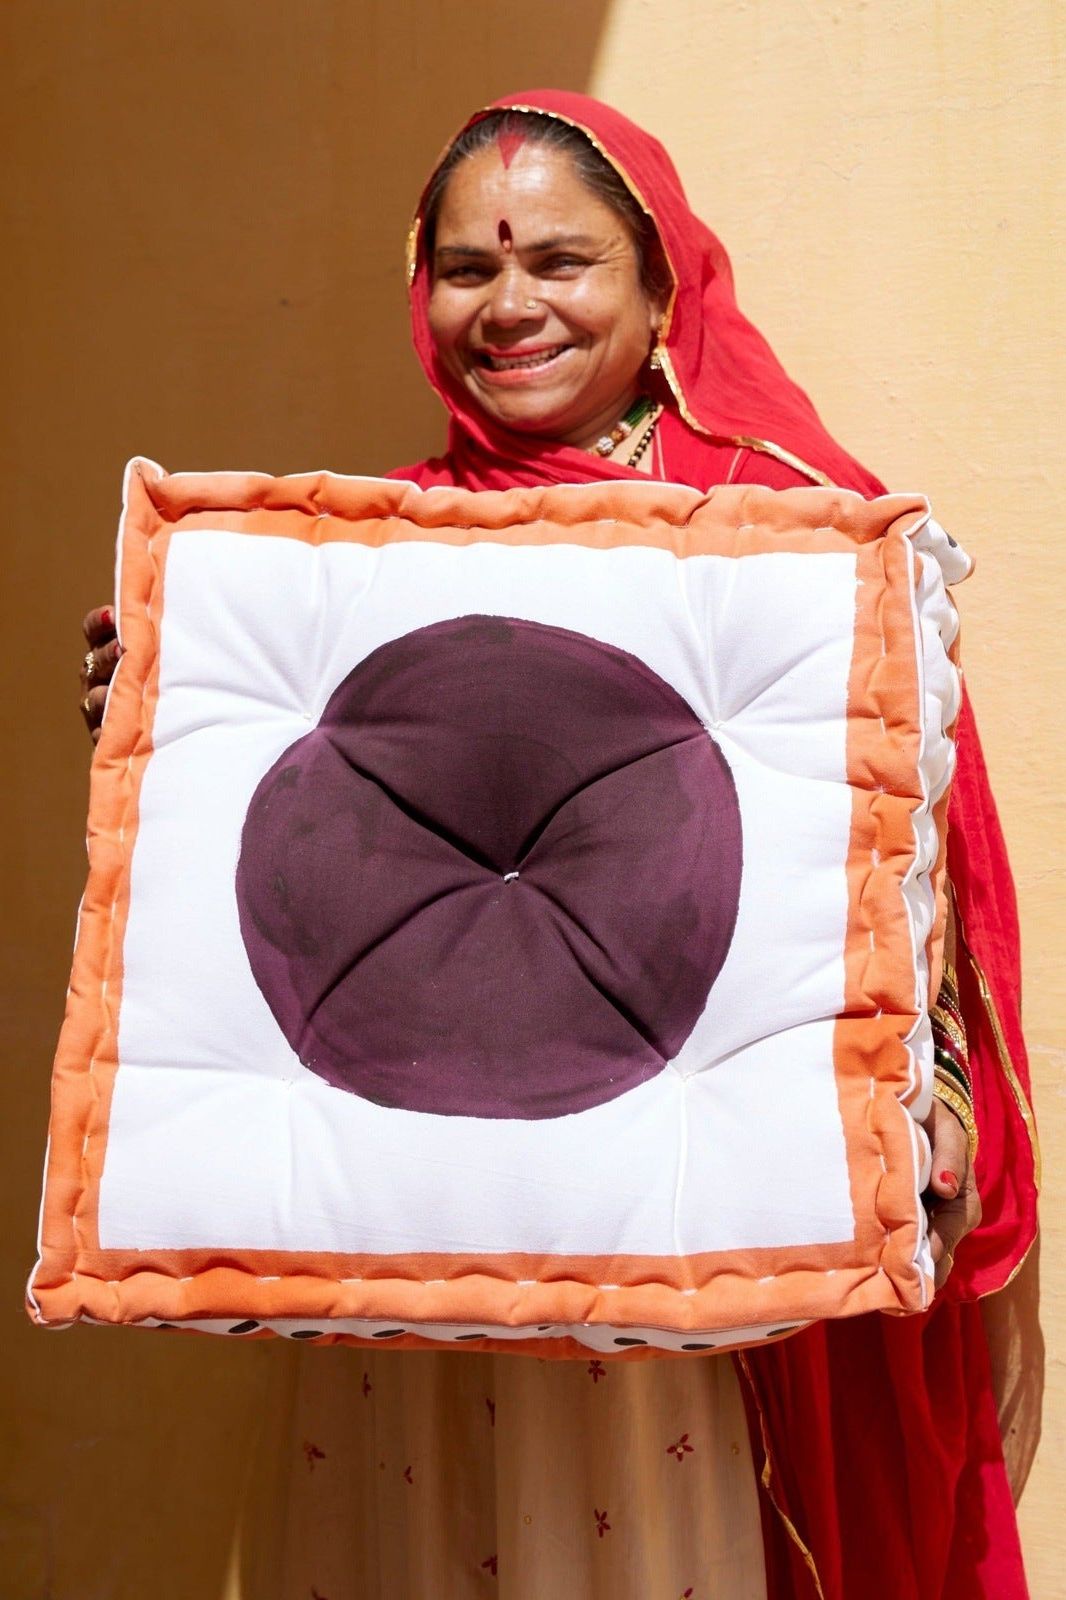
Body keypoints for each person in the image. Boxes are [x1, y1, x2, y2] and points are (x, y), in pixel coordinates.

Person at [78, 91, 1039, 1599]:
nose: (508, 306)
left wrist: (936, 1107)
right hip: (415, 1251)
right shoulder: (372, 560)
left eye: (561, 263)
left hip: (685, 1277)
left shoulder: (787, 544)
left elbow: (902, 872)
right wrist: (192, 713)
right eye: (466, 269)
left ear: (662, 289)